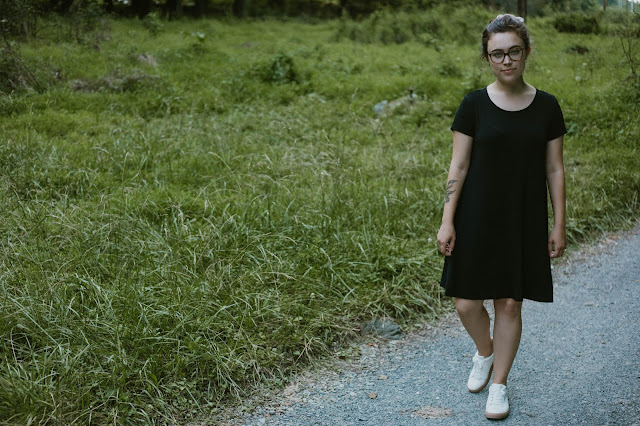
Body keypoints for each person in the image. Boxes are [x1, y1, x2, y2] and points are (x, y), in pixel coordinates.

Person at [436, 13, 567, 420]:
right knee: (465, 302)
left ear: (526, 53)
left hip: (522, 217)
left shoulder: (547, 106)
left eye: (514, 51)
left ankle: (499, 384)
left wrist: (559, 224)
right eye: (497, 54)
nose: (506, 60)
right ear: (487, 57)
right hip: (476, 215)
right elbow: (458, 166)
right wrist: (447, 219)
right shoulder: (473, 105)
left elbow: (554, 169)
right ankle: (485, 351)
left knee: (509, 303)